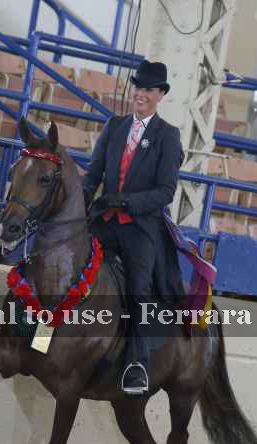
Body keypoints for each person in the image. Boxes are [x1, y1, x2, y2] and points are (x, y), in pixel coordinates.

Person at [82, 60, 185, 396]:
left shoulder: (167, 136)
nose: (141, 93)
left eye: (149, 89)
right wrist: (80, 203)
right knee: (68, 265)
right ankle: (42, 336)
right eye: (138, 87)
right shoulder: (114, 126)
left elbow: (166, 191)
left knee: (139, 287)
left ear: (161, 95)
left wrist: (127, 202)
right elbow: (93, 175)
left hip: (140, 227)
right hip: (104, 220)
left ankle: (136, 364)